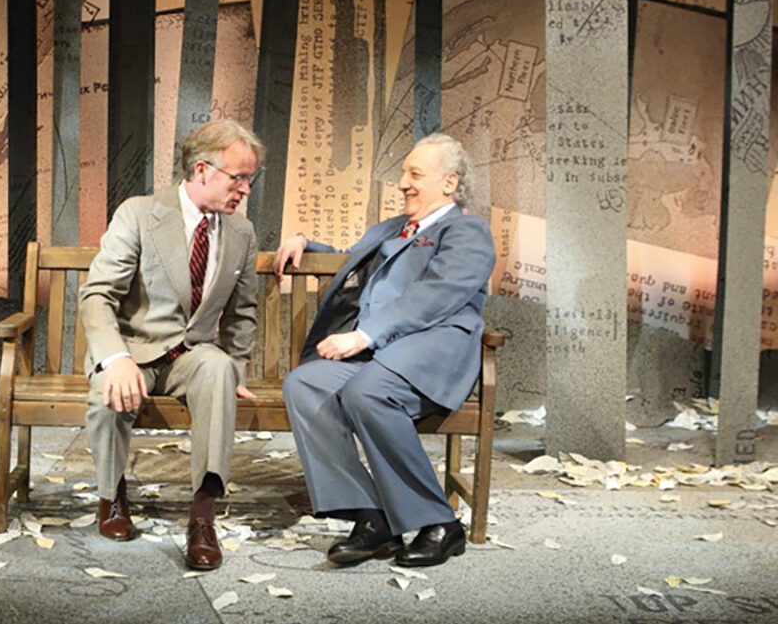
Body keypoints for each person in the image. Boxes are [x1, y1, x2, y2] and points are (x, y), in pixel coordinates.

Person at [274, 133, 495, 568]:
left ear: (449, 183)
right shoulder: (392, 229)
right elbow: (352, 261)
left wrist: (364, 335)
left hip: (430, 354)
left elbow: (436, 294)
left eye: (415, 174)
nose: (403, 183)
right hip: (380, 356)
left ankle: (440, 523)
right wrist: (305, 243)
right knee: (306, 384)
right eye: (404, 173)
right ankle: (370, 516)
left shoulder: (468, 232)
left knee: (367, 393)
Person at [80, 119, 263, 571]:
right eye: (238, 178)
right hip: (134, 350)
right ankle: (111, 495)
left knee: (218, 368)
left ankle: (202, 517)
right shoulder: (140, 214)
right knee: (108, 390)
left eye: (251, 179)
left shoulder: (241, 232)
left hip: (192, 357)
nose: (245, 190)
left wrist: (236, 369)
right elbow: (98, 295)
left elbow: (242, 313)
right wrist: (115, 358)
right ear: (202, 170)